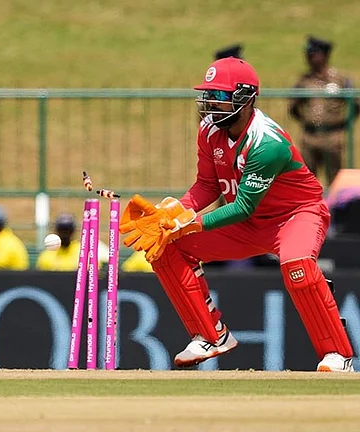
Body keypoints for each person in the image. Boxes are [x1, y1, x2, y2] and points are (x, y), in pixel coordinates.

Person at [119, 57, 354, 372]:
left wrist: (190, 223)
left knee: (296, 264)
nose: (210, 104)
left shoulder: (266, 142)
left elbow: (243, 205)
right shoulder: (208, 131)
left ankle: (338, 356)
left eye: (219, 96)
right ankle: (211, 335)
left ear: (245, 97)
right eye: (209, 95)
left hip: (297, 215)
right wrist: (172, 212)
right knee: (165, 245)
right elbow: (207, 185)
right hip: (249, 224)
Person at [289, 36, 359, 187]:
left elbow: (355, 104)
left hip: (333, 137)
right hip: (309, 137)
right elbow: (293, 107)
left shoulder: (340, 79)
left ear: (325, 55)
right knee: (306, 180)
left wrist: (344, 124)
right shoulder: (303, 80)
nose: (309, 58)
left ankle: (335, 210)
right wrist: (306, 120)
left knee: (335, 179)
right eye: (308, 54)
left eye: (313, 54)